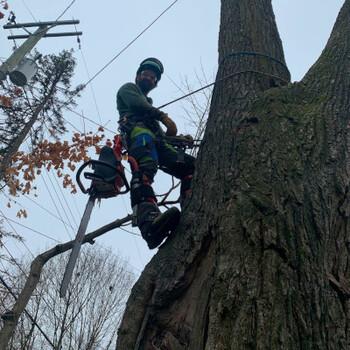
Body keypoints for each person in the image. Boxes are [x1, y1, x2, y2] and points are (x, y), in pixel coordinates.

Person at [117, 58, 195, 249]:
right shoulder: (128, 90)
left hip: (156, 141)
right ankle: (149, 223)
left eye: (154, 77)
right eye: (146, 75)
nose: (150, 78)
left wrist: (179, 140)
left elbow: (163, 137)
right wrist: (163, 117)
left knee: (192, 166)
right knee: (145, 170)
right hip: (138, 135)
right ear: (138, 76)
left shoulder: (149, 108)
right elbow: (138, 105)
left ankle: (192, 205)